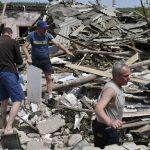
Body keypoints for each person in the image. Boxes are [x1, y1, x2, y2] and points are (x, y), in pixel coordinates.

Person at [22, 20, 74, 104]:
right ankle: (33, 97)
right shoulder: (31, 35)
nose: (45, 29)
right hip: (34, 60)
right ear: (38, 28)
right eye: (43, 28)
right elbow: (24, 47)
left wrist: (67, 51)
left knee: (49, 78)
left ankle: (50, 97)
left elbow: (57, 44)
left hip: (45, 60)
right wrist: (28, 57)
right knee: (34, 79)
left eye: (46, 28)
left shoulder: (47, 35)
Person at [92, 61, 131, 149]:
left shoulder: (118, 85)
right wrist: (110, 122)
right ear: (116, 76)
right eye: (126, 76)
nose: (129, 78)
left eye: (129, 75)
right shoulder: (110, 89)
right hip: (105, 129)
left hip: (109, 128)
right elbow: (98, 108)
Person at [0, 27, 24, 134]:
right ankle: (8, 127)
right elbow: (19, 60)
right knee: (18, 99)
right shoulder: (13, 42)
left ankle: (2, 125)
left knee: (4, 101)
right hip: (9, 72)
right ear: (10, 34)